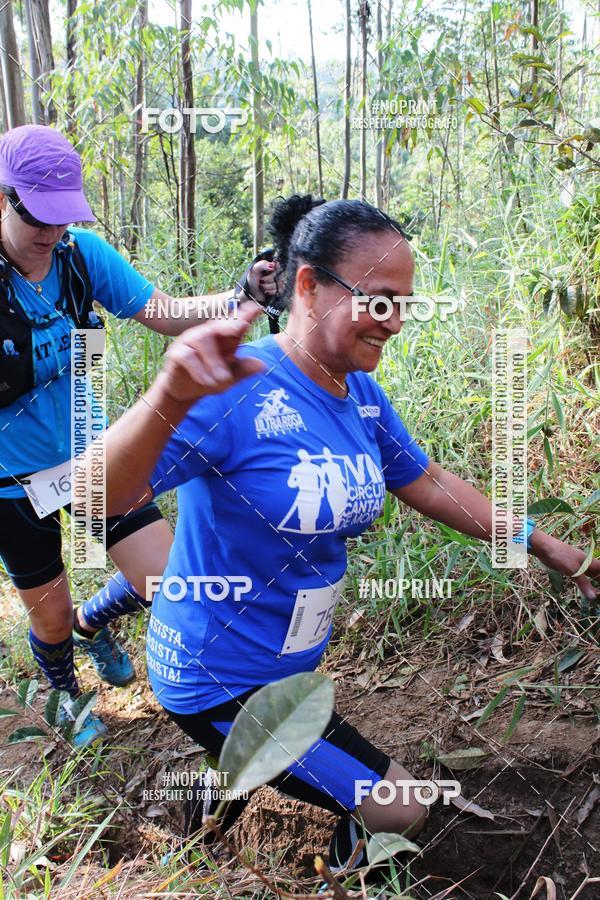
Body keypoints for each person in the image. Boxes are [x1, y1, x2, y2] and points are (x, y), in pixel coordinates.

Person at [99, 194, 599, 872]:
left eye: (405, 303)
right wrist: (167, 394)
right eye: (379, 299)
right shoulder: (237, 389)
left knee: (321, 771)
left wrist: (539, 540)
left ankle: (224, 795)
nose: (393, 321)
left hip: (290, 671)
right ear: (308, 285)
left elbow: (426, 481)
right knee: (404, 808)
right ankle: (340, 868)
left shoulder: (356, 391)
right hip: (219, 679)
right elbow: (99, 495)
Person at [0, 124, 276, 747]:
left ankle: (94, 623)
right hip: (10, 480)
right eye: (37, 216)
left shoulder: (80, 256)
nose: (51, 232)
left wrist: (240, 296)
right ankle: (66, 694)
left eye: (61, 217)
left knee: (168, 579)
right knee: (47, 615)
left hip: (95, 458)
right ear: (3, 199)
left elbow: (163, 313)